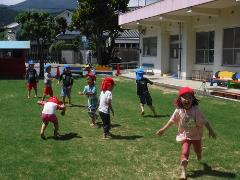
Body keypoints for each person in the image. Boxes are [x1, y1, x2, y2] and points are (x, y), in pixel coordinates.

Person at [156, 87, 216, 179]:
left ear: (193, 99)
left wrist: (211, 130)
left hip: (196, 136)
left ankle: (198, 153)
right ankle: (183, 172)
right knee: (184, 152)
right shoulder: (179, 110)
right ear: (180, 99)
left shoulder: (196, 110)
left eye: (190, 97)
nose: (187, 99)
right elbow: (172, 121)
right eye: (184, 97)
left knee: (198, 150)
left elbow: (204, 121)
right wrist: (163, 129)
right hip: (185, 136)